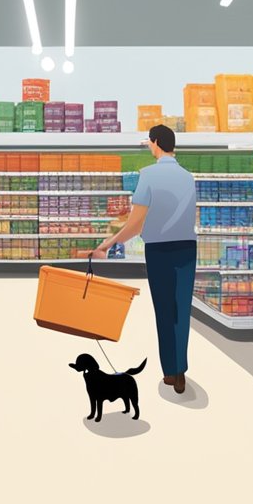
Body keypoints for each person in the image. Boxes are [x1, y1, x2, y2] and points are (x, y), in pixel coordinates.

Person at [91, 125, 196, 394]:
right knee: (181, 311)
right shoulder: (187, 177)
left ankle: (170, 373)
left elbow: (135, 223)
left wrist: (109, 242)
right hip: (186, 249)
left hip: (159, 251)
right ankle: (181, 370)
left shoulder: (148, 175)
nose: (149, 147)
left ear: (157, 143)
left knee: (164, 310)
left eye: (150, 143)